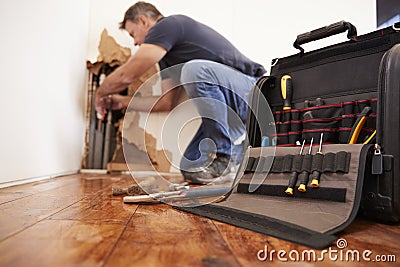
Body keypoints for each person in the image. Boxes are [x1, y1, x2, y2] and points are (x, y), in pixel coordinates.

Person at [95, 1, 266, 184]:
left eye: (133, 34)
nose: (136, 43)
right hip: (228, 112)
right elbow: (165, 103)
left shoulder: (168, 25)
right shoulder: (168, 59)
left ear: (143, 21)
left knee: (194, 71)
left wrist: (100, 92)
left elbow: (129, 74)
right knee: (191, 166)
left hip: (251, 93)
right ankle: (242, 156)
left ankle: (225, 157)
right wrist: (121, 101)